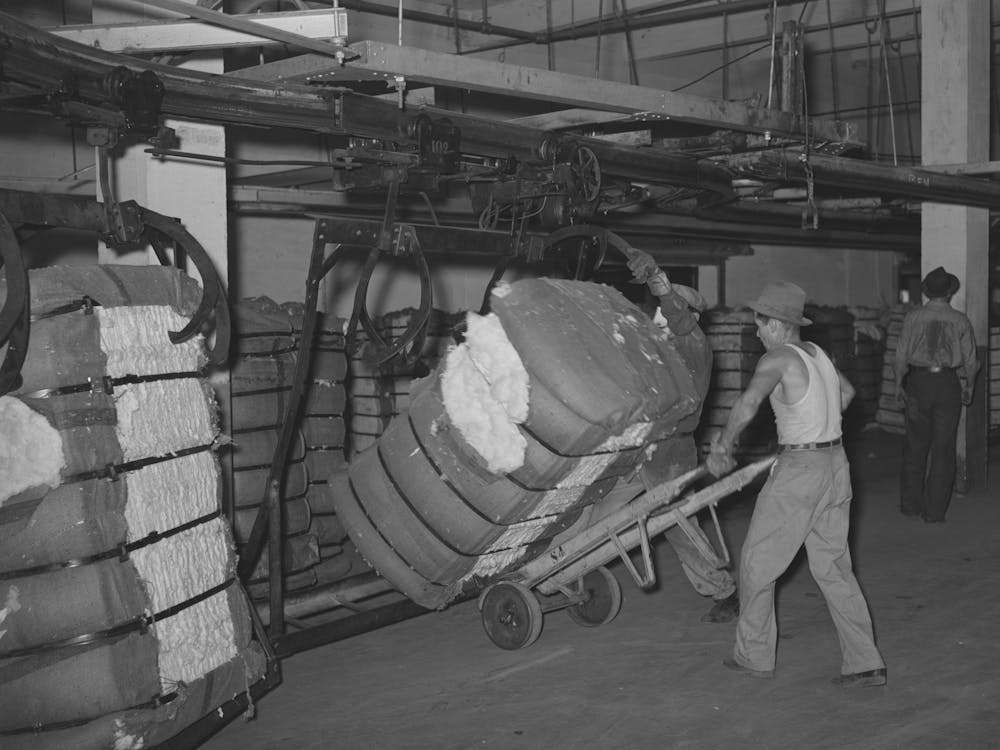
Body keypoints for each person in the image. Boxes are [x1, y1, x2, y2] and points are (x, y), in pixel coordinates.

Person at [706, 281, 886, 687]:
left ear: (776, 324)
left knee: (755, 561)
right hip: (836, 464)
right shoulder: (818, 354)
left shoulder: (778, 359)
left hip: (801, 470)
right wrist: (817, 423)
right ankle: (865, 662)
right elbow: (847, 391)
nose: (756, 332)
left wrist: (722, 447)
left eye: (759, 323)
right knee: (835, 568)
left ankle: (753, 655)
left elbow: (748, 402)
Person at [626, 248, 740, 624]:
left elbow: (676, 317)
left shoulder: (693, 344)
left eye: (665, 313)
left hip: (671, 451)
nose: (658, 318)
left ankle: (723, 590)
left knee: (676, 523)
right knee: (599, 511)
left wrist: (662, 287)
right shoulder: (666, 348)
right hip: (646, 448)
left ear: (687, 316)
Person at [893, 266, 979, 523]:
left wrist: (899, 384)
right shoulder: (961, 320)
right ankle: (934, 512)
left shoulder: (913, 317)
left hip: (919, 383)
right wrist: (969, 385)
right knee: (943, 449)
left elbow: (900, 356)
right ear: (950, 293)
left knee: (915, 447)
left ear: (927, 291)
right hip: (947, 384)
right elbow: (972, 362)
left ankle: (910, 506)